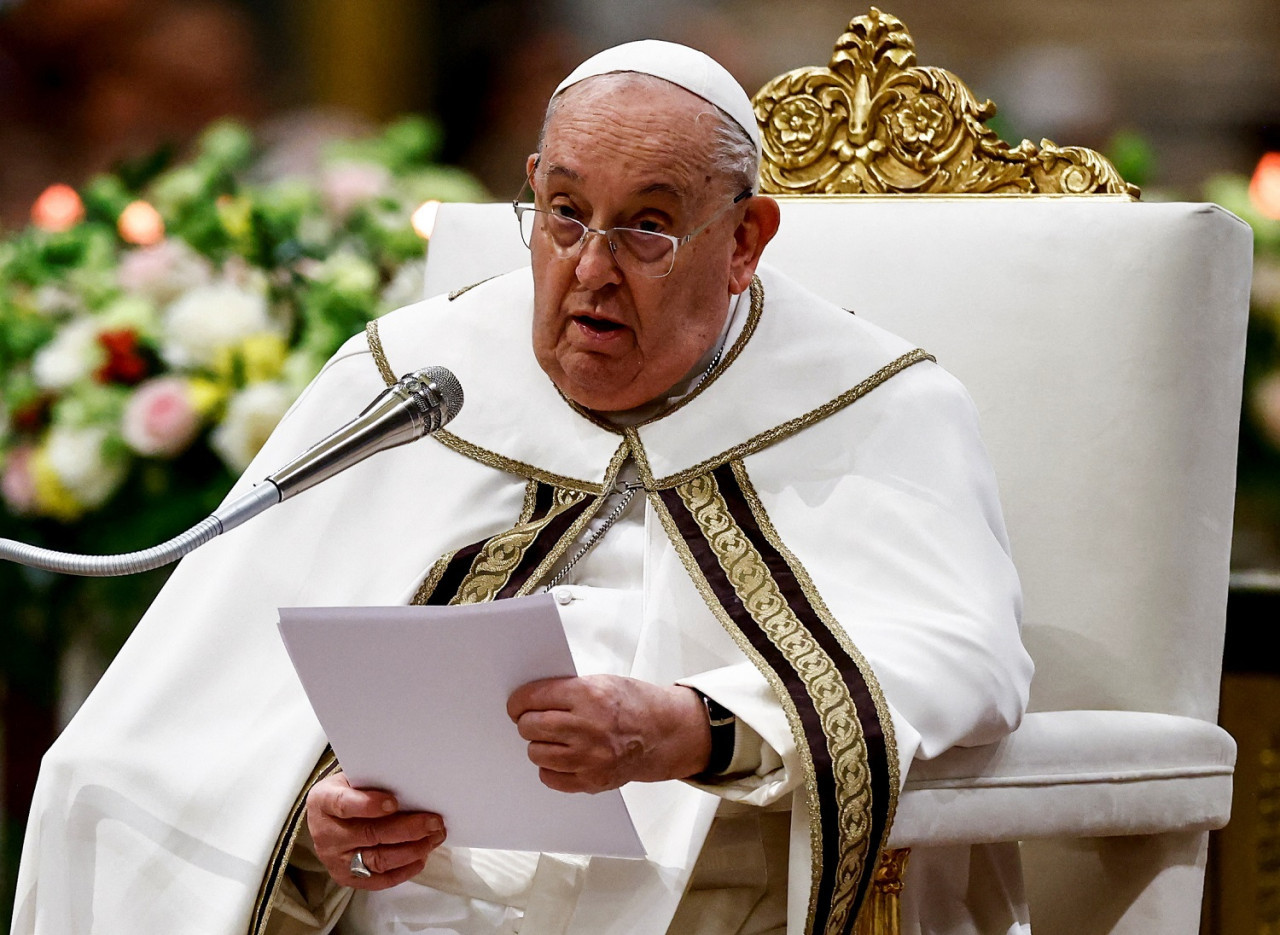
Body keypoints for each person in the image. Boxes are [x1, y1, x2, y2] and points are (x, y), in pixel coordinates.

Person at [13, 41, 1033, 935]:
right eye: (562, 214)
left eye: (647, 227)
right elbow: (219, 706)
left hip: (716, 903)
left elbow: (960, 654)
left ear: (744, 241)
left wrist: (688, 724)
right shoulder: (417, 376)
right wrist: (313, 825)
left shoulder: (870, 404)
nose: (589, 268)